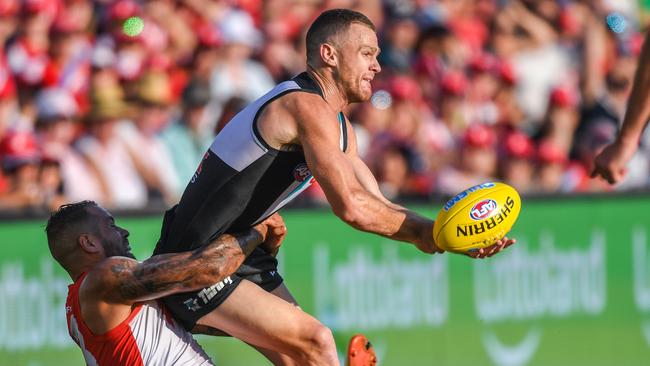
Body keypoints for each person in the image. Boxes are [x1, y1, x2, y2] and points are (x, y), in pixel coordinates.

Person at [154, 9, 515, 366]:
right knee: (316, 342)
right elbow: (352, 208)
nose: (377, 66)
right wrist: (433, 236)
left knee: (304, 356)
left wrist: (453, 235)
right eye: (367, 54)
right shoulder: (302, 105)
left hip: (240, 251)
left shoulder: (340, 127)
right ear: (329, 54)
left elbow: (376, 202)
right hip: (196, 261)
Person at [45, 200, 287, 365]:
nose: (124, 231)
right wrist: (257, 232)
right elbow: (207, 268)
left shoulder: (103, 301)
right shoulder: (102, 279)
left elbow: (225, 321)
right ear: (88, 243)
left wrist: (263, 253)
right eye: (111, 225)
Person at [592, 32, 650, 184]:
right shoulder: (599, 97)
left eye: (631, 57)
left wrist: (626, 140)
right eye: (621, 55)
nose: (623, 62)